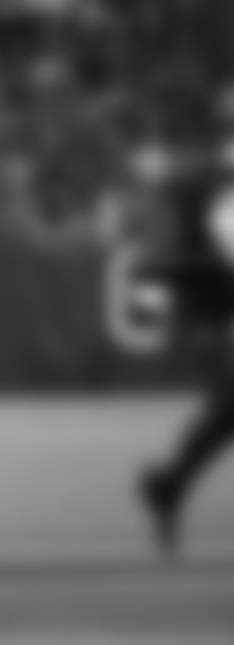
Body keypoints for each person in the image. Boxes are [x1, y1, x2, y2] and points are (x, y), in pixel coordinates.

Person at [139, 141, 234, 559]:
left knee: (227, 410)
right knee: (227, 408)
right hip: (220, 306)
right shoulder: (213, 192)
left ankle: (170, 484)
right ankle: (170, 484)